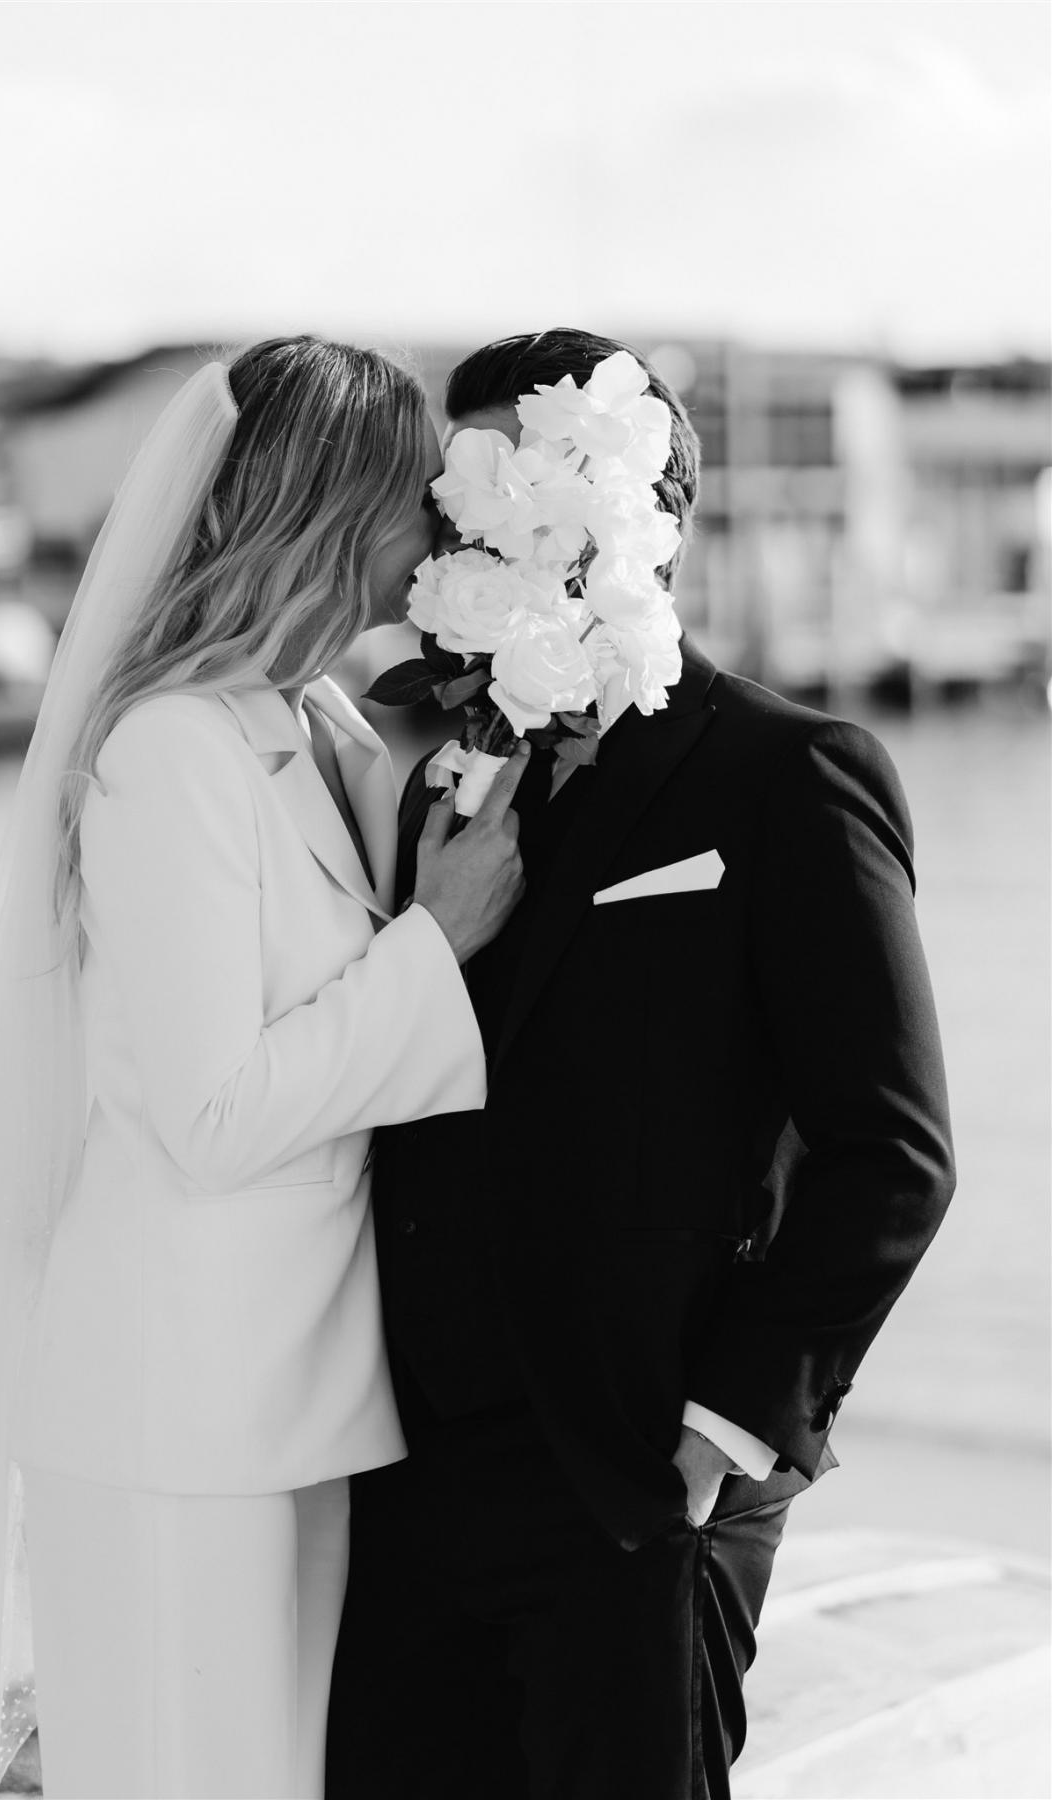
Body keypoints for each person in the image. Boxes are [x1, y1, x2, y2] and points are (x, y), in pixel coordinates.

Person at [0, 337, 528, 1800]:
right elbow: (212, 1112)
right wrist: (438, 944)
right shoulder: (166, 751)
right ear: (333, 510)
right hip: (174, 1419)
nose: (439, 531)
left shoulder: (295, 718)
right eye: (416, 500)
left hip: (288, 1398)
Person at [326, 327, 956, 1800]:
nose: (471, 533)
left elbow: (893, 1155)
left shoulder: (789, 775)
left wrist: (717, 1436)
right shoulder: (438, 776)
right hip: (411, 1474)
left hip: (637, 1480)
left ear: (629, 516)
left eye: (514, 498)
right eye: (459, 504)